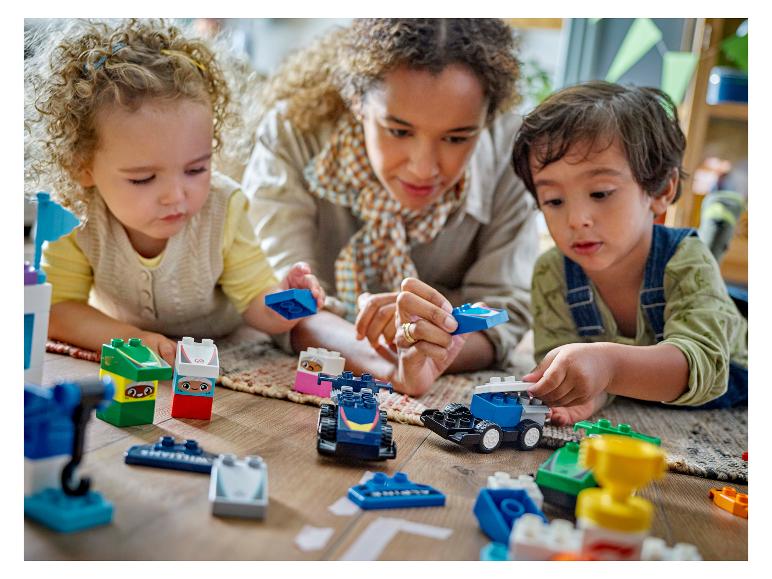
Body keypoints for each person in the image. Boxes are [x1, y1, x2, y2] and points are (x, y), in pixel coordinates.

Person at [242, 19, 539, 396]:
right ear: (356, 102)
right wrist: (391, 363)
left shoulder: (509, 156)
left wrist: (433, 349)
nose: (423, 167)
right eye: (398, 131)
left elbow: (503, 313)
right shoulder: (292, 132)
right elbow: (284, 302)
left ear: (488, 119)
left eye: (457, 138)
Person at [25, 19, 324, 365]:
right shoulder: (75, 214)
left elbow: (257, 304)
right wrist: (134, 340)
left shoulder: (224, 208)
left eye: (196, 169)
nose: (175, 197)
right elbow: (58, 309)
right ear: (83, 167)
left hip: (218, 347)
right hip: (128, 338)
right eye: (144, 178)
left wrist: (291, 300)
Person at [508, 81, 747, 425]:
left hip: (738, 365)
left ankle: (720, 218)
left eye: (601, 193)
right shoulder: (552, 271)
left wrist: (610, 365)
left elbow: (706, 367)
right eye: (554, 201)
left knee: (716, 280)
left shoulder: (684, 259)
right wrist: (589, 391)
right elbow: (560, 358)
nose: (577, 220)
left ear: (662, 190)